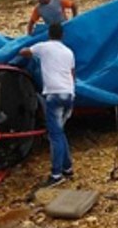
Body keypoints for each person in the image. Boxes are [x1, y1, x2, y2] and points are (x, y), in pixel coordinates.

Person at [19, 22, 76, 186]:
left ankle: (56, 174)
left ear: (49, 34)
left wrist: (31, 51)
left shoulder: (43, 47)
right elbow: (72, 74)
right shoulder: (69, 52)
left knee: (55, 136)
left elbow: (23, 52)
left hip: (54, 94)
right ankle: (67, 168)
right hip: (69, 94)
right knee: (60, 132)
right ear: (62, 35)